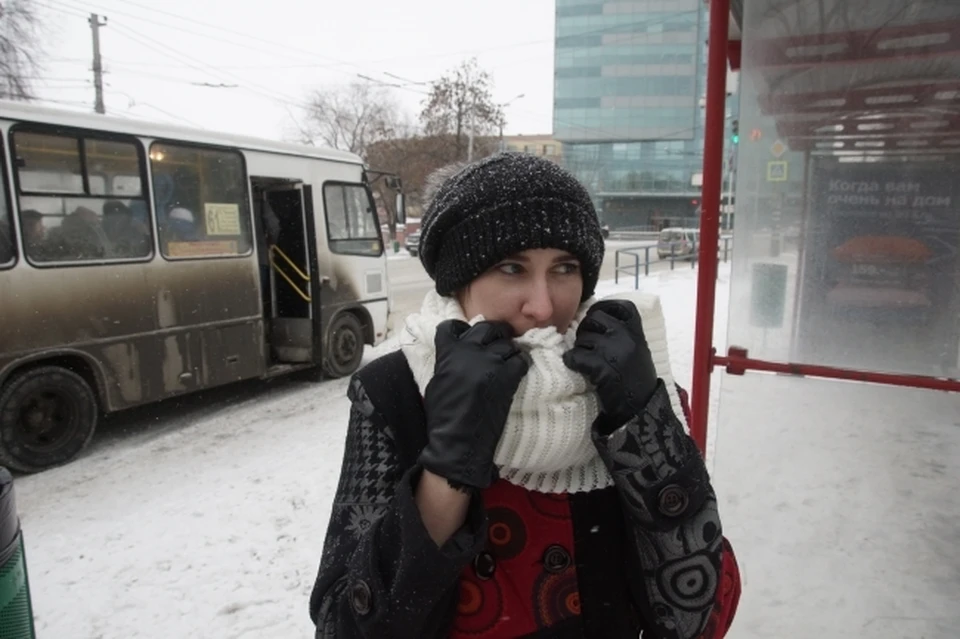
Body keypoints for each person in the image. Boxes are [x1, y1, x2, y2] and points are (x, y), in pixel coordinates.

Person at [309, 153, 741, 638]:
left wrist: (644, 424)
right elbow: (342, 628)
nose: (543, 306)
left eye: (564, 268)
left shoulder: (633, 382)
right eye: (511, 267)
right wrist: (446, 467)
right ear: (459, 282)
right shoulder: (396, 392)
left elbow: (699, 618)